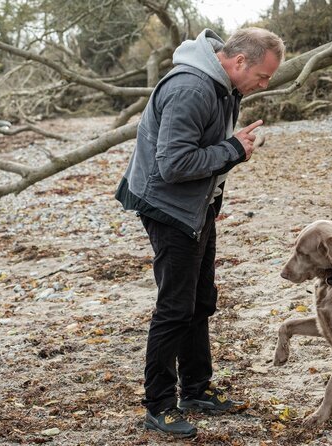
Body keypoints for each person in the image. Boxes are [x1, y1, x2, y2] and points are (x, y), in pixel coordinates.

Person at [115, 27, 284, 437]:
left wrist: (222, 170)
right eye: (263, 76)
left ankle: (195, 389)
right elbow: (173, 164)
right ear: (239, 61)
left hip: (197, 206)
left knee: (200, 300)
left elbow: (201, 147)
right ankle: (159, 405)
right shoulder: (192, 87)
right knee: (175, 308)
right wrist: (233, 151)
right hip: (167, 206)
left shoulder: (222, 83)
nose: (264, 85)